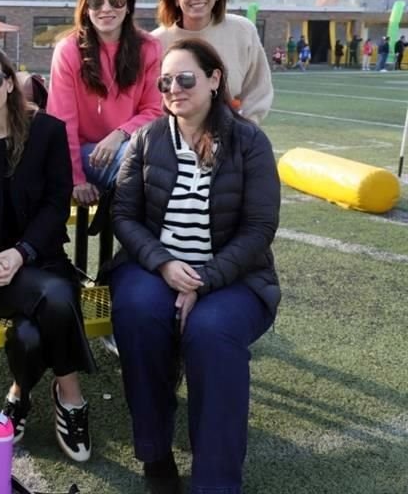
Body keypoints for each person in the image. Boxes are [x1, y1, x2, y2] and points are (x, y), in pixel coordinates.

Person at [109, 37, 280, 494]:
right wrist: (164, 264)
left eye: (186, 78)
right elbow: (123, 215)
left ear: (214, 79)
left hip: (234, 278)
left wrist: (204, 280)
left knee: (212, 334)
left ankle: (216, 482)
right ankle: (155, 454)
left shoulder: (249, 141)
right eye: (165, 81)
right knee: (139, 316)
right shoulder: (146, 139)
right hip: (153, 269)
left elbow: (260, 227)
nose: (174, 89)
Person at [0, 45, 96, 462]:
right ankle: (72, 397)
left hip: (42, 259)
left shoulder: (46, 131)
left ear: (9, 82)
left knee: (30, 332)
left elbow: (56, 202)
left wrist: (22, 252)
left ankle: (20, 394)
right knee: (59, 297)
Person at [47, 0, 162, 209]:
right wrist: (76, 179)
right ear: (86, 9)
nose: (106, 8)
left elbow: (155, 110)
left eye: (116, 0)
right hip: (85, 156)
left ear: (128, 4)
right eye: (96, 2)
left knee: (148, 159)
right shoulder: (68, 51)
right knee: (139, 164)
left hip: (132, 146)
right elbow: (62, 123)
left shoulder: (149, 47)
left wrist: (119, 134)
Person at [154, 0, 273, 124]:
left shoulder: (243, 31)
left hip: (232, 136)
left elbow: (258, 90)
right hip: (172, 139)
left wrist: (245, 130)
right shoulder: (156, 42)